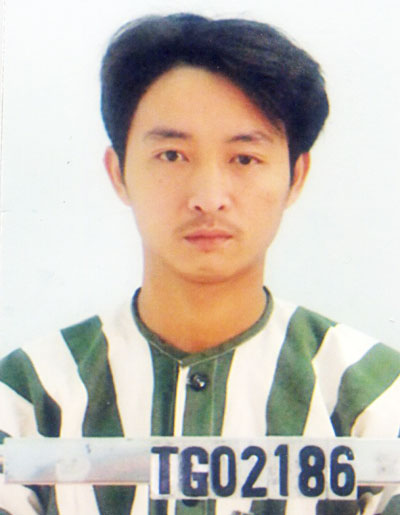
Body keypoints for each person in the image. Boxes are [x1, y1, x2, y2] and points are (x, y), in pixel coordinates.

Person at [0, 13, 399, 515]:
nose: (208, 198)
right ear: (118, 172)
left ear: (296, 176)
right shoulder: (28, 395)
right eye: (172, 155)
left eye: (244, 158)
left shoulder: (375, 396)